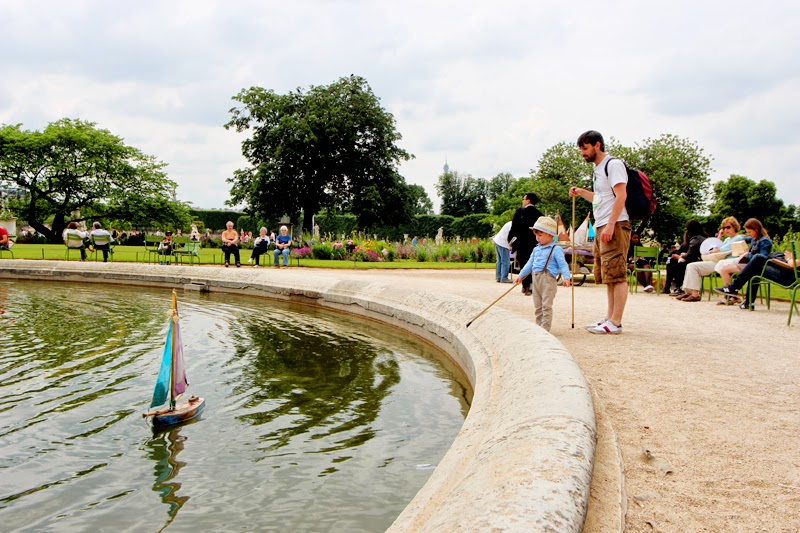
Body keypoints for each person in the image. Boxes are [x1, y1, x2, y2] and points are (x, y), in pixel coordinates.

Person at [569, 130, 631, 334]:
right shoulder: (598, 169)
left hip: (614, 223)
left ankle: (616, 321)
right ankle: (609, 317)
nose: (582, 154)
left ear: (597, 145)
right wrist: (581, 192)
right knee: (608, 273)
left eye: (585, 149)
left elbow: (621, 195)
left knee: (617, 273)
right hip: (602, 223)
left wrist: (612, 224)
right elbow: (600, 198)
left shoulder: (613, 165)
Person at [514, 216, 571, 331]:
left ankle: (545, 329)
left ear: (550, 235)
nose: (537, 238)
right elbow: (529, 264)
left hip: (548, 280)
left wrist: (567, 277)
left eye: (540, 235)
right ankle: (538, 326)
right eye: (536, 235)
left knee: (546, 305)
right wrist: (521, 276)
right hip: (536, 279)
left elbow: (563, 264)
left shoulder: (556, 249)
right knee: (538, 306)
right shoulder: (536, 249)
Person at [678, 217, 746, 302]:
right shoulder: (727, 239)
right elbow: (717, 246)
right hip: (719, 261)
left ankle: (695, 294)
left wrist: (715, 250)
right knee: (691, 266)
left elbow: (722, 249)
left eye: (728, 227)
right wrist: (720, 237)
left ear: (734, 227)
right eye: (724, 228)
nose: (726, 230)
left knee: (693, 267)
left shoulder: (738, 238)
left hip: (727, 263)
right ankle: (689, 292)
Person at [715, 247, 797, 310]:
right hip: (785, 273)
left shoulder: (764, 240)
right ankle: (746, 301)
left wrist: (789, 257)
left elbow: (793, 264)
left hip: (788, 278)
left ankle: (734, 288)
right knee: (755, 265)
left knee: (757, 260)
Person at [717, 218, 772, 287]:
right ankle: (731, 292)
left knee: (724, 270)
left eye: (750, 232)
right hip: (750, 264)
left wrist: (747, 255)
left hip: (756, 267)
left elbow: (762, 258)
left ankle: (731, 292)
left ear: (756, 230)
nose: (749, 234)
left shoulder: (764, 241)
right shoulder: (754, 238)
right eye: (747, 232)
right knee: (724, 269)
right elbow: (741, 239)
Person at [508, 192, 544, 295]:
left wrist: (510, 241)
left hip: (521, 242)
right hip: (534, 242)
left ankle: (525, 285)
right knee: (533, 263)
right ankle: (532, 284)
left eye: (523, 199)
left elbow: (514, 228)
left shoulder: (520, 212)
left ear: (528, 200)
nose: (523, 201)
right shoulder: (540, 214)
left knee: (523, 263)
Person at [664, 220, 707, 297]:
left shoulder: (695, 240)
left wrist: (680, 256)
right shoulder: (700, 238)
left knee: (676, 266)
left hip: (694, 261)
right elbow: (684, 250)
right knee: (671, 261)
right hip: (695, 260)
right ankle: (673, 286)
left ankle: (675, 287)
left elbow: (690, 255)